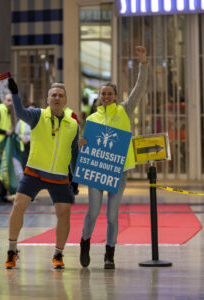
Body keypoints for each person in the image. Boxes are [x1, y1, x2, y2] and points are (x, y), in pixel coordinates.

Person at [79, 45, 148, 269]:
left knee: (111, 215)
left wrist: (143, 63)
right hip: (97, 170)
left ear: (116, 96)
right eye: (103, 94)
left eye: (110, 93)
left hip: (119, 170)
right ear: (99, 97)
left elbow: (140, 87)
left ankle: (110, 254)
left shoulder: (125, 110)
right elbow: (85, 145)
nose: (107, 97)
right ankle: (85, 243)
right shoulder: (91, 120)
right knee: (93, 211)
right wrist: (82, 144)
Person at [5, 78, 79, 270]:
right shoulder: (37, 115)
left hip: (60, 176)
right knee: (18, 205)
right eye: (53, 95)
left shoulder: (73, 125)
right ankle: (12, 250)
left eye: (60, 95)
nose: (57, 98)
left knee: (64, 214)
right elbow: (20, 112)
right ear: (47, 99)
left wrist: (75, 177)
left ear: (66, 100)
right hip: (34, 172)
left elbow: (74, 152)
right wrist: (15, 93)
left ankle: (58, 254)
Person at [15, 103, 36, 170]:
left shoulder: (38, 122)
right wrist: (21, 136)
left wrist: (28, 139)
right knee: (24, 167)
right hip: (23, 149)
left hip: (35, 149)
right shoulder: (21, 121)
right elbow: (16, 134)